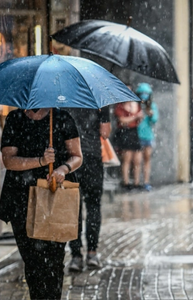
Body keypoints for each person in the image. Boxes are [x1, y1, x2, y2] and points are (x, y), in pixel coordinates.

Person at [0, 108, 82, 300]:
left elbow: (77, 156)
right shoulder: (15, 118)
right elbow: (8, 160)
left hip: (54, 198)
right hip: (21, 200)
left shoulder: (62, 118)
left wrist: (63, 168)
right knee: (32, 262)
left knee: (53, 262)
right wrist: (41, 161)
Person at [66, 106, 111, 272]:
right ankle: (92, 253)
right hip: (92, 159)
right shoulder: (98, 101)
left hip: (70, 161)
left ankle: (76, 256)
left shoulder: (64, 98)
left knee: (73, 209)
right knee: (93, 206)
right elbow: (105, 133)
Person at [113, 85, 144, 190]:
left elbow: (138, 120)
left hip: (134, 132)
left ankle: (136, 182)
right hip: (125, 133)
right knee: (127, 158)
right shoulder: (120, 106)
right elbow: (122, 120)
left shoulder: (135, 105)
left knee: (137, 159)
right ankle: (126, 182)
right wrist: (134, 117)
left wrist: (137, 117)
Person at [135, 83, 159, 191]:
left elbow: (154, 120)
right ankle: (136, 182)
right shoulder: (136, 105)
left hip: (148, 136)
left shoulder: (152, 105)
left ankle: (146, 182)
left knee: (147, 160)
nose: (144, 95)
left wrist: (151, 114)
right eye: (142, 93)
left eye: (146, 93)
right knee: (137, 161)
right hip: (137, 135)